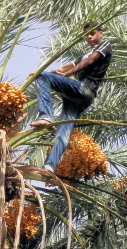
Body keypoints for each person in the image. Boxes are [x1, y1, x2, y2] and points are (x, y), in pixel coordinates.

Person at [30, 23, 112, 173]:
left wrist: (63, 75)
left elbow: (90, 61)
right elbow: (65, 67)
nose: (90, 37)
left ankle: (47, 116)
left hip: (84, 90)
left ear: (101, 33)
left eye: (92, 33)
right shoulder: (84, 55)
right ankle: (50, 167)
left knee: (43, 77)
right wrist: (47, 73)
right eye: (87, 35)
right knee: (63, 133)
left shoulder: (105, 45)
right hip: (76, 100)